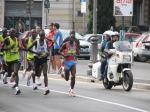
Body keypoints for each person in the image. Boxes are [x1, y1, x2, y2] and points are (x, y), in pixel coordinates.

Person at [28, 29, 50, 95]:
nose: (43, 37)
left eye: (44, 35)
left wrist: (47, 52)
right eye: (42, 35)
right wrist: (36, 52)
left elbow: (47, 49)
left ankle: (46, 88)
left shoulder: (46, 41)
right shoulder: (36, 42)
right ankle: (31, 74)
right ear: (39, 35)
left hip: (43, 59)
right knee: (37, 73)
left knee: (45, 73)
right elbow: (29, 49)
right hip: (37, 58)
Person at [2, 28, 21, 95]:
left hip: (15, 59)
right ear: (9, 33)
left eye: (14, 32)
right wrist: (9, 48)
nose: (13, 34)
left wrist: (20, 48)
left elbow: (18, 47)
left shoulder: (16, 39)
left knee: (15, 72)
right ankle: (6, 74)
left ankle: (17, 88)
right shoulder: (7, 39)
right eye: (12, 32)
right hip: (8, 59)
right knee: (10, 74)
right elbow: (1, 49)